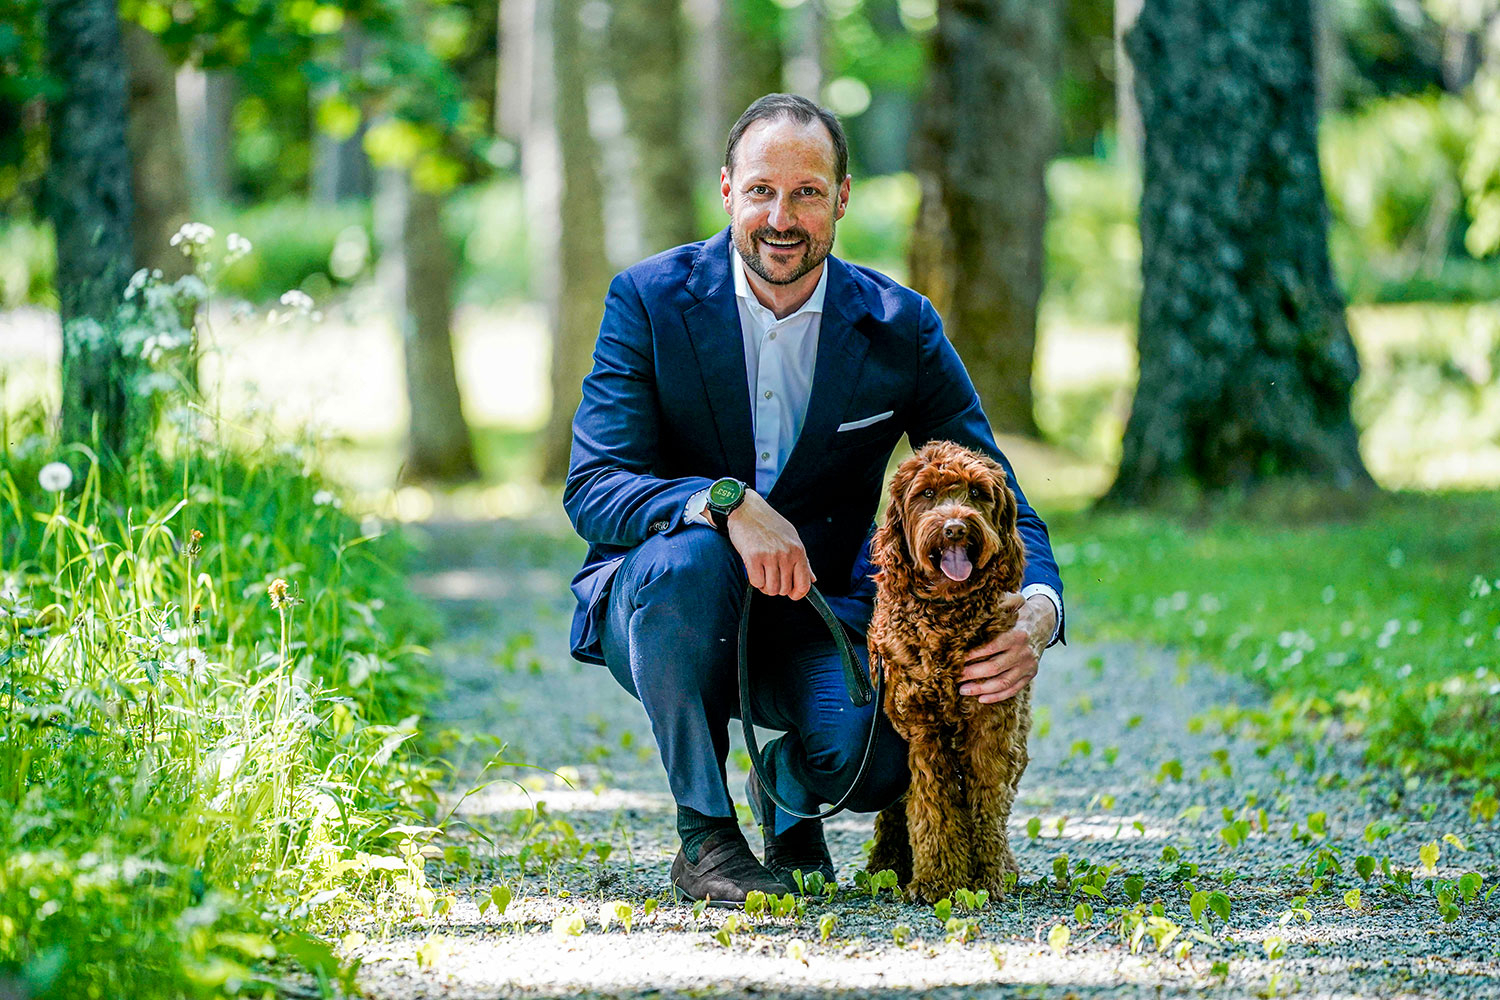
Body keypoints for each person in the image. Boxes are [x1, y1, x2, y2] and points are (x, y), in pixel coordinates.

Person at [563, 93, 1065, 904]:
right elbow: (593, 487)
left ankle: (785, 787)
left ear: (842, 197)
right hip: (673, 610)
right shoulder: (648, 301)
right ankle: (707, 837)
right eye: (762, 190)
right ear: (728, 191)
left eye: (806, 191)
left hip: (823, 613)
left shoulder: (901, 326)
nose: (781, 216)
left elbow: (1005, 498)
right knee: (690, 556)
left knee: (886, 758)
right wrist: (725, 503)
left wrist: (1037, 609)